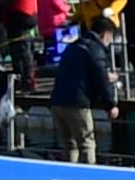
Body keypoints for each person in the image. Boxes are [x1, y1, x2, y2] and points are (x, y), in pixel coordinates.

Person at [50, 18, 120, 165]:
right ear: (106, 34)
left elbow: (80, 70)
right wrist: (111, 105)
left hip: (57, 100)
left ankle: (70, 179)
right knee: (87, 144)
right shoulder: (95, 48)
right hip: (77, 103)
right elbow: (100, 78)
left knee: (69, 145)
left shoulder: (74, 45)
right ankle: (89, 179)